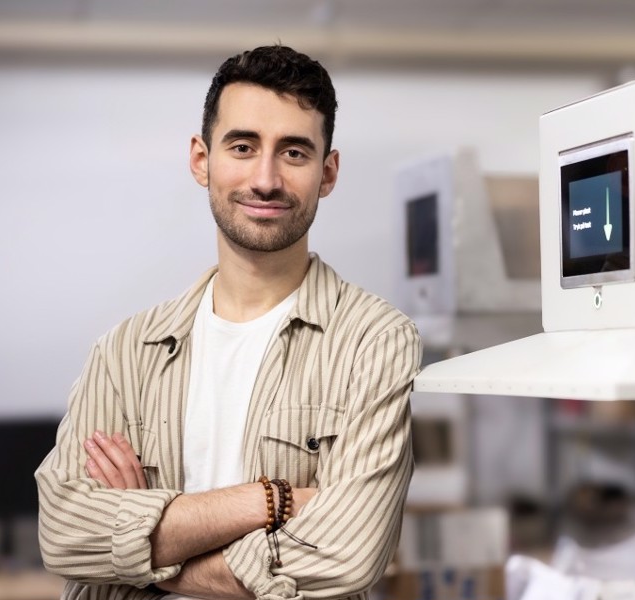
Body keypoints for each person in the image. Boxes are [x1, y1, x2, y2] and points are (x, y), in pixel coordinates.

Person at [35, 45, 422, 600]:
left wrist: (141, 552)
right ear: (202, 160)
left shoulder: (374, 342)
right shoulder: (124, 351)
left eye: (294, 152)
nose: (265, 179)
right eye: (243, 147)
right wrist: (268, 501)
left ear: (328, 172)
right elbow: (63, 534)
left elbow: (346, 553)